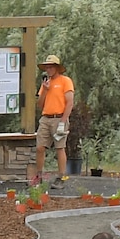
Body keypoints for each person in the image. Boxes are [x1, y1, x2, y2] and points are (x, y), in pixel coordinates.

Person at [31, 54, 74, 186]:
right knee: (39, 148)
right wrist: (45, 89)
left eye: (50, 67)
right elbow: (39, 104)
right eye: (46, 67)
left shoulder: (65, 81)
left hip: (59, 118)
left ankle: (61, 177)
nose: (48, 70)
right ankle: (39, 175)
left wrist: (63, 121)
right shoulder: (46, 83)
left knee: (59, 148)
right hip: (46, 118)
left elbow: (70, 102)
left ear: (57, 68)